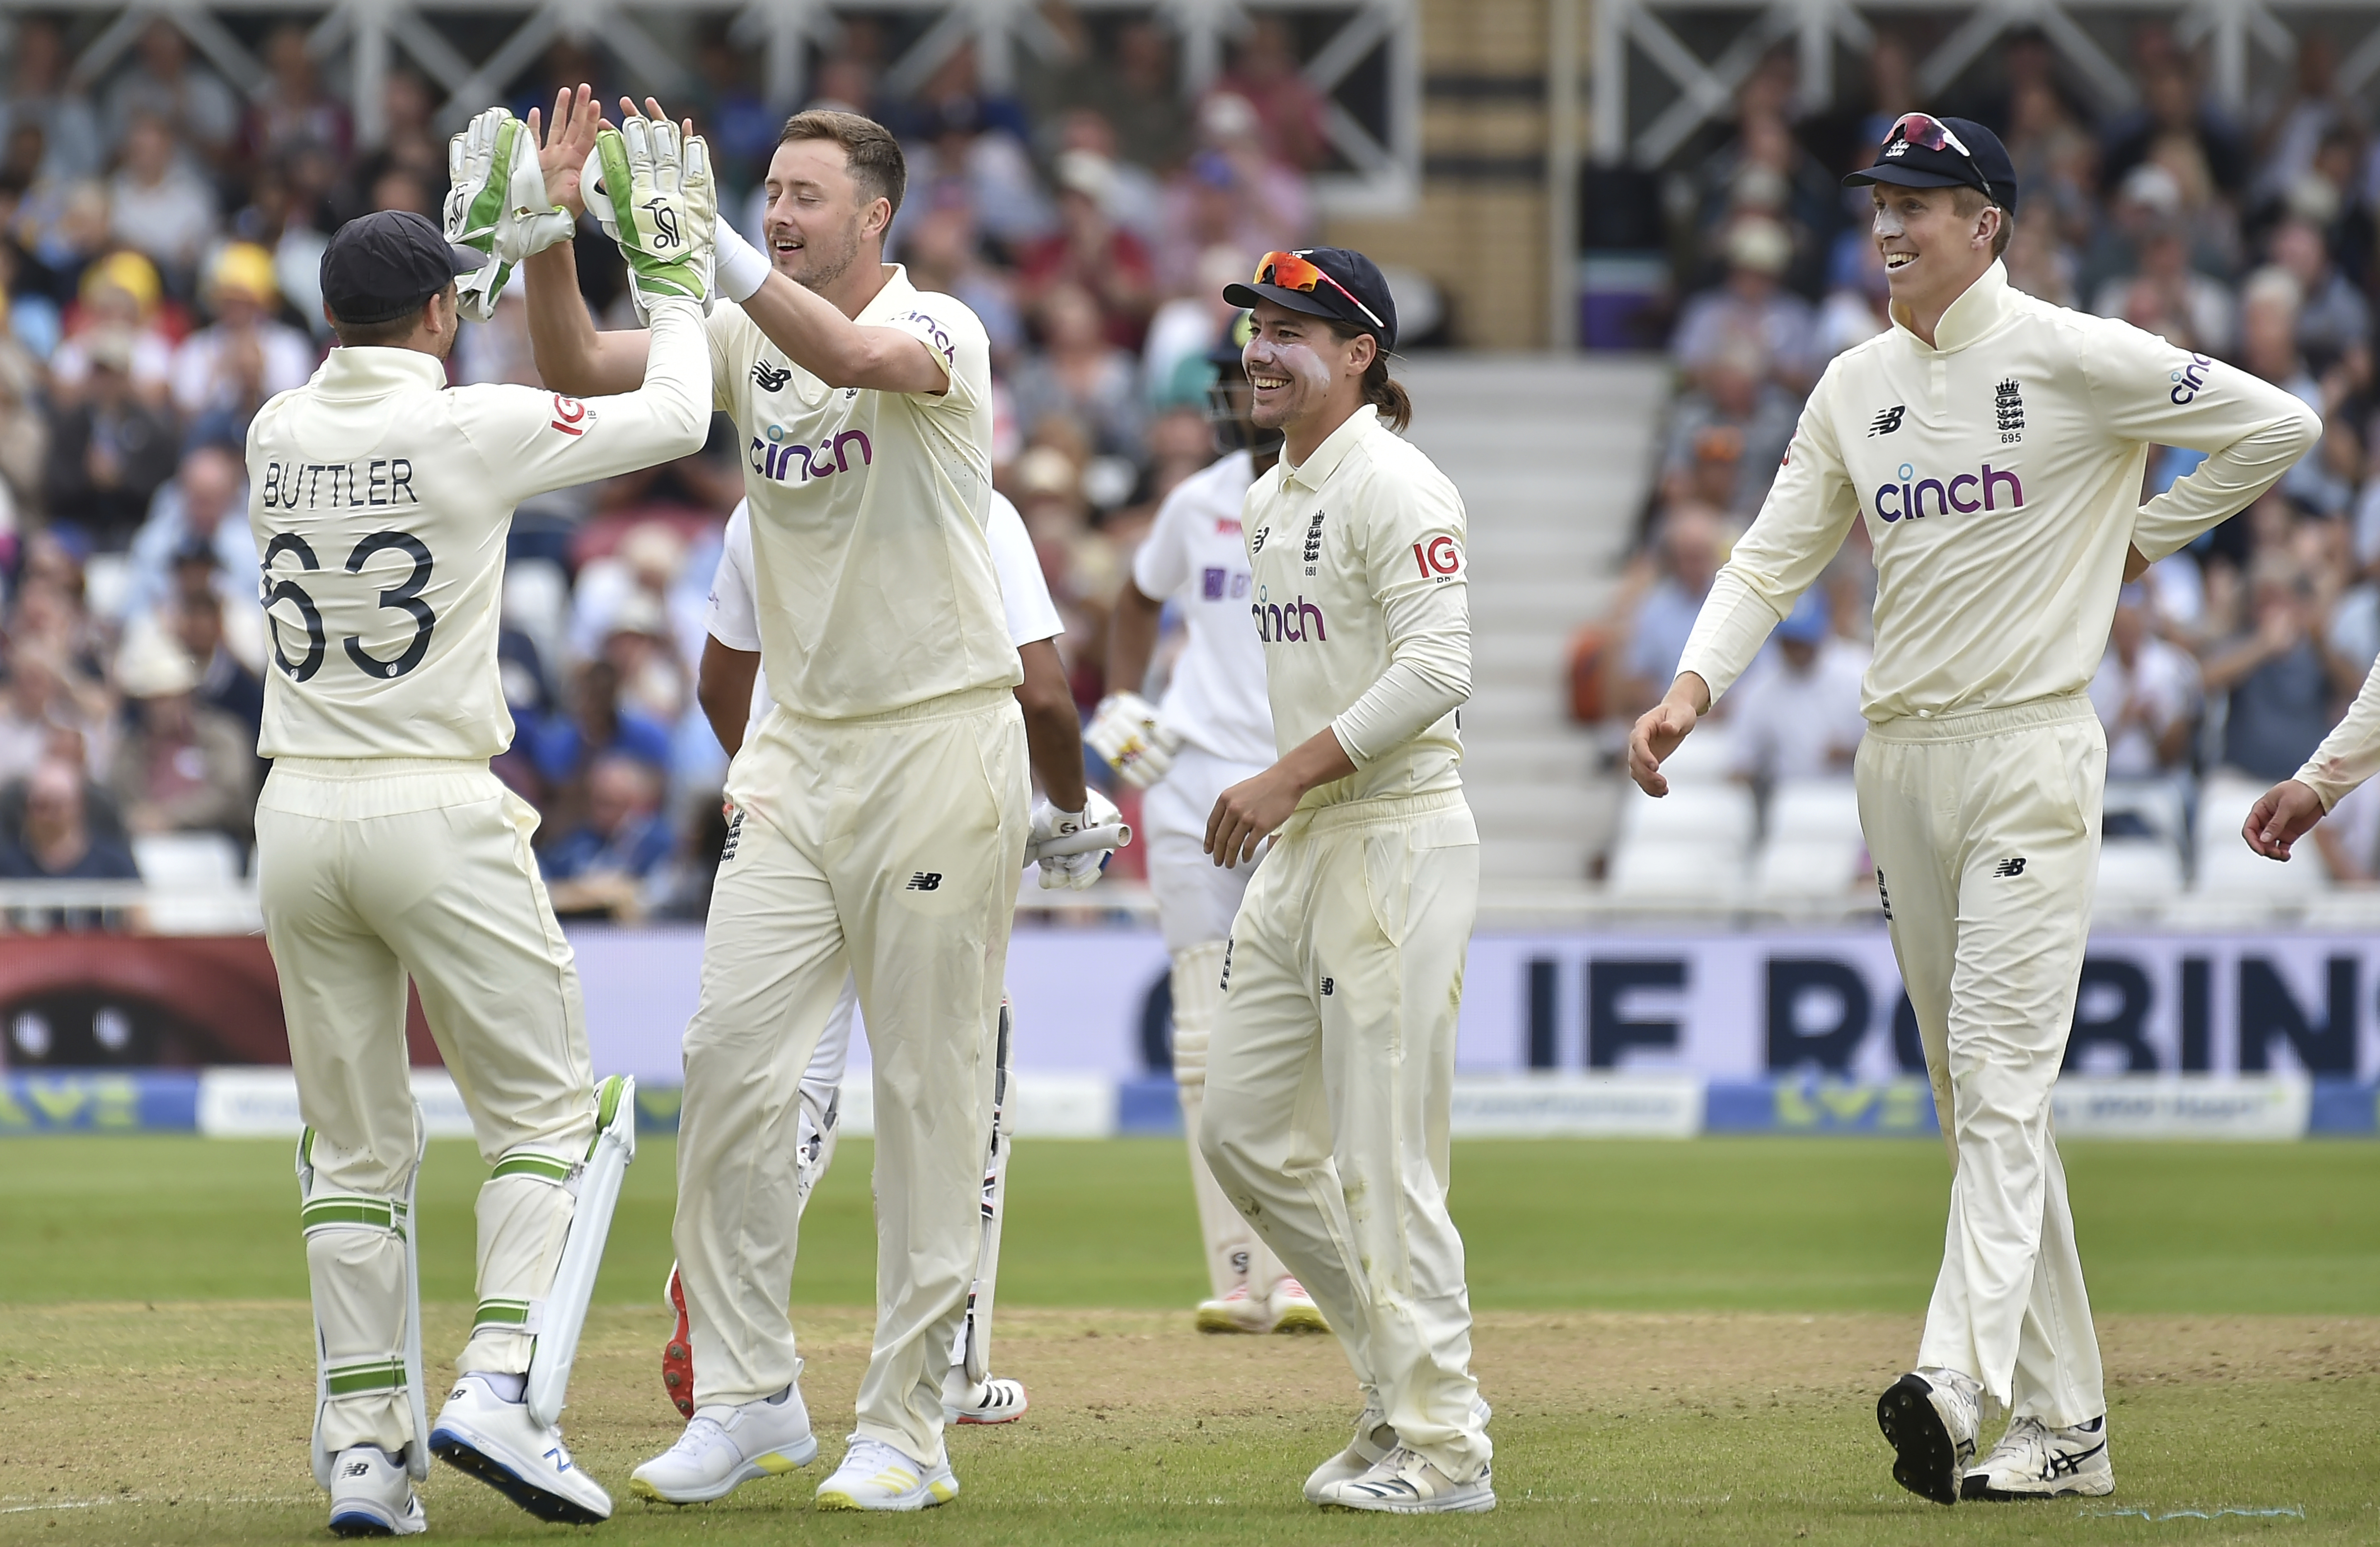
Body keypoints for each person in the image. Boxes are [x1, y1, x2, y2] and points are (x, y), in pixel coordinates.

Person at [1628, 114, 2318, 1507]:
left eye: (1919, 206)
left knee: (2002, 1087)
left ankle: (1951, 1381)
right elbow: (1769, 557)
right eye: (1879, 204)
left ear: (1985, 225)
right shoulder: (1853, 384)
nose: (1887, 228)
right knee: (1978, 1108)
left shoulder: (2073, 353)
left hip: (2027, 754)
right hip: (1901, 769)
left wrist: (2134, 539)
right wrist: (1691, 687)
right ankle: (2066, 1429)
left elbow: (2276, 426)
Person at [522, 92, 1033, 1512]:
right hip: (798, 759)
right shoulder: (743, 332)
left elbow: (857, 351)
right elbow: (574, 364)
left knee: (929, 1097)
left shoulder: (942, 333)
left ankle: (906, 1429)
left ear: (878, 216)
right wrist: (554, 229)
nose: (781, 214)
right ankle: (748, 1397)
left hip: (939, 740)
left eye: (808, 196)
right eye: (772, 193)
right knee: (732, 1071)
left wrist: (722, 264)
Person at [245, 165, 716, 1534]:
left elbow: (427, 364)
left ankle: (367, 1457)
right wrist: (667, 271)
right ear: (439, 316)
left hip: (297, 813)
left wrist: (502, 261)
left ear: (332, 314)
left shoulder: (278, 426)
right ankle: (502, 1377)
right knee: (547, 1119)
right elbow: (681, 410)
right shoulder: (472, 428)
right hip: (433, 805)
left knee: (348, 1153)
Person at [641, 484, 1114, 1495]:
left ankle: (825, 1388)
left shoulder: (763, 499)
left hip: (802, 808)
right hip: (921, 805)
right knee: (942, 1099)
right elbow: (1043, 695)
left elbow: (721, 686)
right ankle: (905, 1386)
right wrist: (1069, 811)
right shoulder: (970, 502)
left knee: (755, 1083)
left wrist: (773, 785)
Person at [1196, 249, 1492, 1514]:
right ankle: (1396, 1385)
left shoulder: (1399, 483)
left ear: (1362, 354)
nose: (1264, 347)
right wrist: (1292, 796)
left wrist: (1281, 776)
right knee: (1245, 1130)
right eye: (1257, 324)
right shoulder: (1271, 496)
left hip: (1394, 835)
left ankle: (1446, 1447)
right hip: (1309, 842)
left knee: (1385, 1157)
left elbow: (1439, 672)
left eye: (1295, 328)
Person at [1090, 314, 1324, 1335]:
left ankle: (1307, 1268)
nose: (1247, 394)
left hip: (1302, 785)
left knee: (1311, 1025)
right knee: (1200, 1038)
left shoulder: (1351, 493)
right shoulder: (1194, 506)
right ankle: (1237, 1275)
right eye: (1234, 377)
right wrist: (1120, 699)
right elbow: (1134, 604)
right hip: (1191, 786)